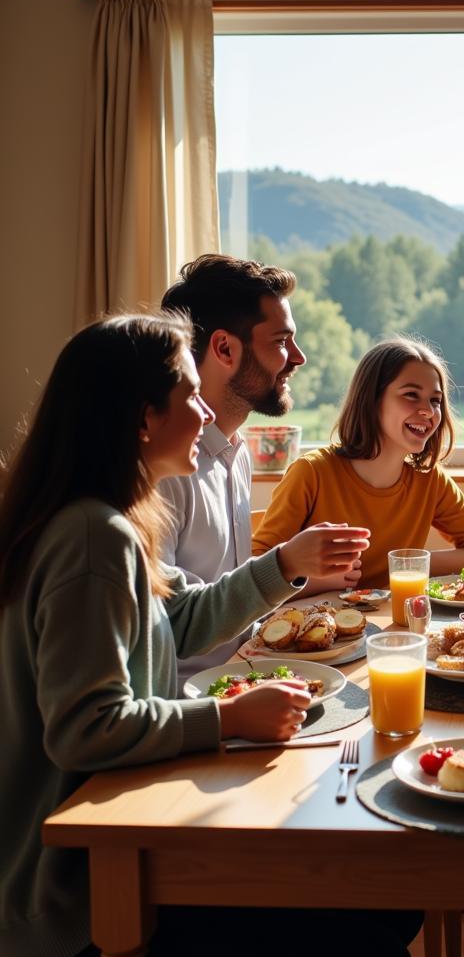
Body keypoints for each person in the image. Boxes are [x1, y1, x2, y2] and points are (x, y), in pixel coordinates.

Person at [0, 314, 418, 957]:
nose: (206, 413)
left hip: (126, 839)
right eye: (192, 396)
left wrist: (282, 565)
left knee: (387, 902)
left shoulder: (111, 519)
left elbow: (175, 623)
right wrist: (228, 720)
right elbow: (84, 729)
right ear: (143, 417)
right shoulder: (91, 540)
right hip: (70, 903)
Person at [158, 254, 315, 689]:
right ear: (225, 348)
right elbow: (167, 628)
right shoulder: (162, 470)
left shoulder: (237, 451)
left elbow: (227, 600)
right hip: (188, 708)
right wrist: (285, 564)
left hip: (243, 681)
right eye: (282, 342)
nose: (298, 358)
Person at [254, 336, 464, 591]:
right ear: (372, 400)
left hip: (393, 627)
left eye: (435, 400)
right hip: (321, 624)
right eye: (411, 395)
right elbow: (254, 574)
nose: (428, 411)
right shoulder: (311, 473)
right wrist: (314, 581)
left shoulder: (430, 480)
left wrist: (409, 564)